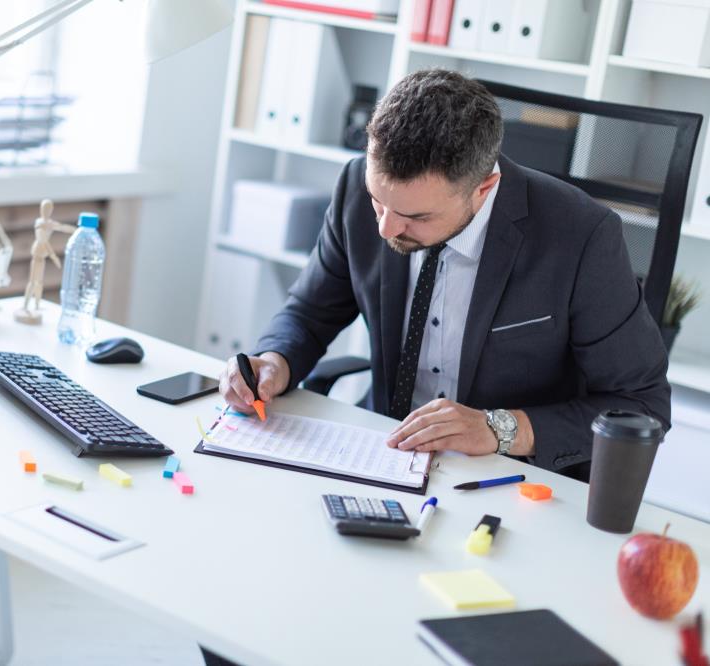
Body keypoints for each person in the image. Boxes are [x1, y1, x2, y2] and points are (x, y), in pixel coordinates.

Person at [218, 69, 671, 479]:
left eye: (415, 216)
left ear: (483, 188)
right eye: (379, 202)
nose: (386, 227)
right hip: (380, 449)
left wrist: (499, 428)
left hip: (505, 474)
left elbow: (642, 407)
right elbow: (309, 311)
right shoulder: (358, 188)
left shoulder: (581, 236)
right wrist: (274, 361)